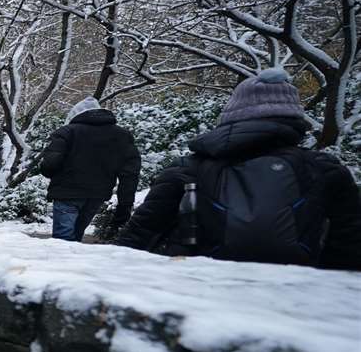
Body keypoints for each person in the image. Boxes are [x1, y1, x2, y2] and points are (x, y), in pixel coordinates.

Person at [116, 68, 361, 269]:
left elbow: (141, 233)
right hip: (293, 302)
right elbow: (349, 246)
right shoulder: (324, 170)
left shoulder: (189, 168)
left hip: (194, 293)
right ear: (295, 118)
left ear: (232, 112)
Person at [39, 96, 140, 242]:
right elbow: (130, 175)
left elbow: (50, 165)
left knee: (62, 240)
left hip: (67, 192)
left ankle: (62, 263)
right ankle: (74, 262)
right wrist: (124, 207)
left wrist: (49, 172)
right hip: (97, 194)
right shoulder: (122, 136)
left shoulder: (67, 132)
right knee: (76, 236)